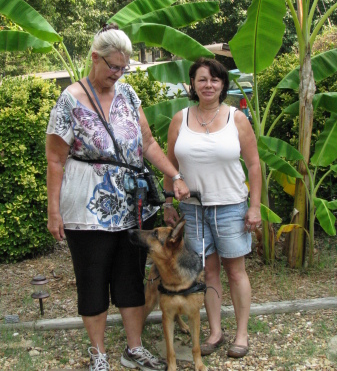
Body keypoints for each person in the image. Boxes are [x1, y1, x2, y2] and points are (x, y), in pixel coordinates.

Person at [46, 23, 190, 371]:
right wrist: (54, 211)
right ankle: (99, 355)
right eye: (112, 66)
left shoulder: (127, 94)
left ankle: (134, 348)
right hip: (85, 207)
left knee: (129, 278)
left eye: (123, 67)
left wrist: (175, 174)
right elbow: (55, 158)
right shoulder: (69, 100)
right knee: (93, 278)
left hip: (131, 207)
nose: (118, 73)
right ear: (94, 58)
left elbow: (149, 143)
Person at [163, 57, 261, 359]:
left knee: (236, 271)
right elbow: (170, 165)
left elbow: (255, 164)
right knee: (209, 273)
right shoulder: (180, 119)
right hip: (192, 209)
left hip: (231, 206)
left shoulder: (237, 118)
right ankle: (216, 332)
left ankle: (241, 334)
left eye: (215, 79)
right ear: (192, 83)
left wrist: (255, 205)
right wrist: (168, 200)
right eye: (202, 79)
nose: (208, 85)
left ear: (223, 84)